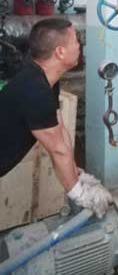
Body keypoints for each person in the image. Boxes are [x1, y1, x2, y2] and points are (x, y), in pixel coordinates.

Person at [0, 18, 112, 218]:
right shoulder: (35, 91)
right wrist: (79, 195)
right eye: (76, 40)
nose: (79, 45)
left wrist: (77, 174)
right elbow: (58, 150)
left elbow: (59, 131)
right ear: (60, 52)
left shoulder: (45, 79)